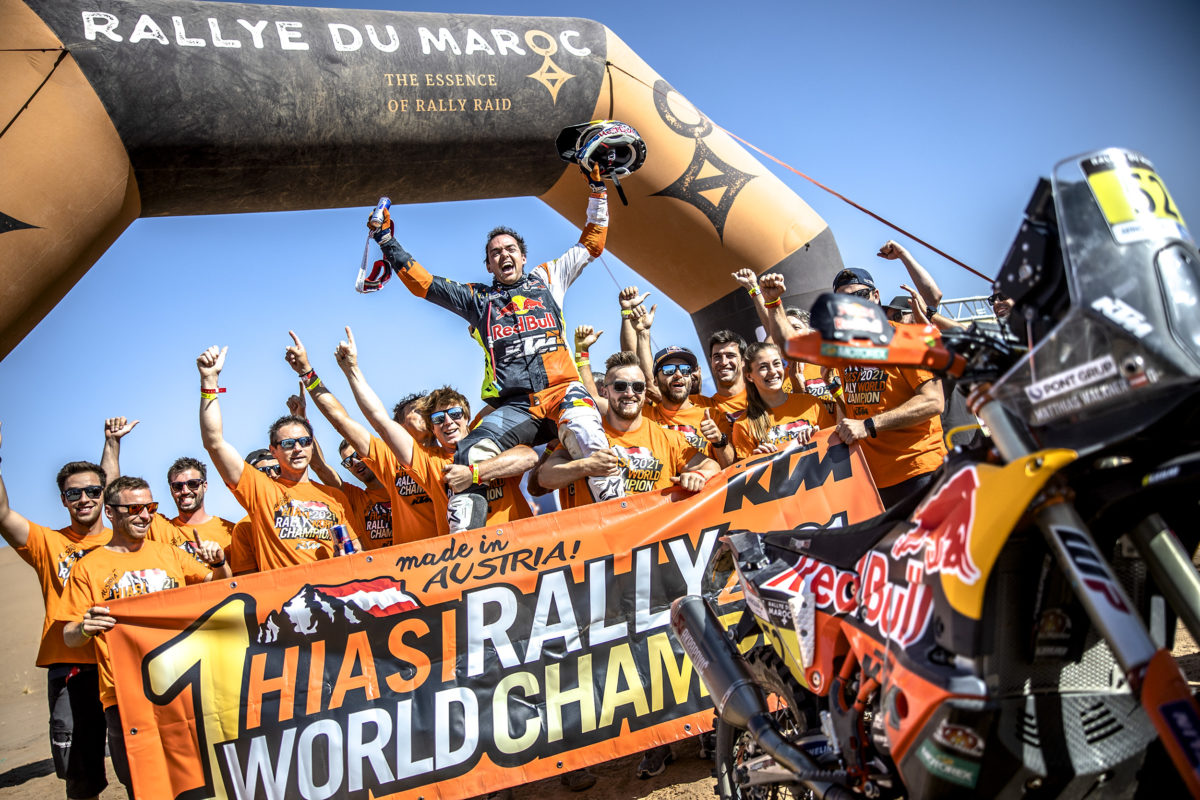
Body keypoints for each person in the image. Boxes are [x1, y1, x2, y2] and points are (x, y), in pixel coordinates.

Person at [369, 167, 621, 531]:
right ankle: (464, 543)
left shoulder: (549, 277)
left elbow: (592, 242)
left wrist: (598, 189)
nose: (504, 255)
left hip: (563, 391)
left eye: (510, 249)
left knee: (587, 433)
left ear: (523, 257)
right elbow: (423, 284)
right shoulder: (478, 299)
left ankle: (621, 517)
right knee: (468, 452)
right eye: (495, 252)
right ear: (488, 264)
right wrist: (386, 240)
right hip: (517, 405)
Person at [58, 476, 228, 798]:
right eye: (135, 509)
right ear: (110, 512)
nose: (145, 515)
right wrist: (84, 628)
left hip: (185, 687)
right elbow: (69, 634)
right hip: (125, 698)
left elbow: (221, 590)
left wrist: (219, 563)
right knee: (142, 786)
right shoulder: (88, 568)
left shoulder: (170, 554)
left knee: (202, 778)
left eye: (150, 507)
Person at [0, 420, 114, 800]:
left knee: (138, 757)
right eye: (73, 493)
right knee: (79, 772)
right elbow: (2, 513)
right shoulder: (47, 542)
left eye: (92, 491)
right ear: (63, 500)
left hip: (121, 661)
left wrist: (112, 445)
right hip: (70, 666)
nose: (84, 499)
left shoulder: (125, 539)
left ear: (104, 495)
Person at [332, 327, 537, 532]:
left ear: (467, 417)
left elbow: (529, 457)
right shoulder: (429, 461)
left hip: (521, 546)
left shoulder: (488, 440)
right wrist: (352, 370)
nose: (448, 421)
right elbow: (380, 421)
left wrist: (473, 474)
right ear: (433, 428)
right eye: (439, 418)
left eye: (455, 414)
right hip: (468, 551)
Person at [196, 344, 362, 569]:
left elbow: (358, 552)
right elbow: (214, 443)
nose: (298, 448)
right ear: (273, 450)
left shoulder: (334, 497)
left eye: (304, 441)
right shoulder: (261, 490)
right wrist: (209, 382)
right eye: (288, 444)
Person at [830, 267, 947, 508]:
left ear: (876, 296)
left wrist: (868, 425)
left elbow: (933, 401)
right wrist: (770, 301)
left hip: (919, 468)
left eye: (859, 295)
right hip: (871, 479)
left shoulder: (909, 338)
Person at [730, 341, 835, 462]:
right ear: (749, 376)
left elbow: (835, 448)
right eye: (763, 367)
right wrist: (757, 461)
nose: (773, 371)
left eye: (776, 364)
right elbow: (745, 472)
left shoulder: (811, 404)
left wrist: (819, 437)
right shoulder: (743, 425)